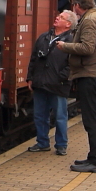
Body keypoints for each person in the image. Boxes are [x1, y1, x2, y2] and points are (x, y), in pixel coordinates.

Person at [56, 0, 96, 173]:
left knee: (92, 119)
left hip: (92, 74)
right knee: (93, 118)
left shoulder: (90, 20)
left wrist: (65, 46)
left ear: (77, 5)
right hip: (95, 73)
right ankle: (94, 157)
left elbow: (87, 48)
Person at [26, 10, 78, 155]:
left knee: (60, 116)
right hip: (40, 83)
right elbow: (34, 59)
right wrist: (30, 77)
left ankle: (61, 145)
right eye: (58, 16)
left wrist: (61, 77)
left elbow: (72, 64)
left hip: (58, 85)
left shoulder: (71, 41)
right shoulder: (44, 37)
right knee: (40, 115)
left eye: (61, 17)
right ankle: (42, 142)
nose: (57, 18)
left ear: (68, 24)